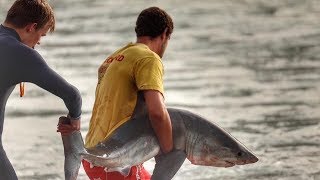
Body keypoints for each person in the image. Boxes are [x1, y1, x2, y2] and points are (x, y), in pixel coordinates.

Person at [82, 6, 174, 180]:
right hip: (117, 158)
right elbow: (157, 112)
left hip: (93, 155)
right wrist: (168, 152)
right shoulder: (148, 58)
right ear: (164, 34)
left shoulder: (114, 58)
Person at [0, 0, 82, 179]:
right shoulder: (20, 53)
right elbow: (72, 95)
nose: (38, 43)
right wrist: (75, 120)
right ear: (31, 27)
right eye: (41, 35)